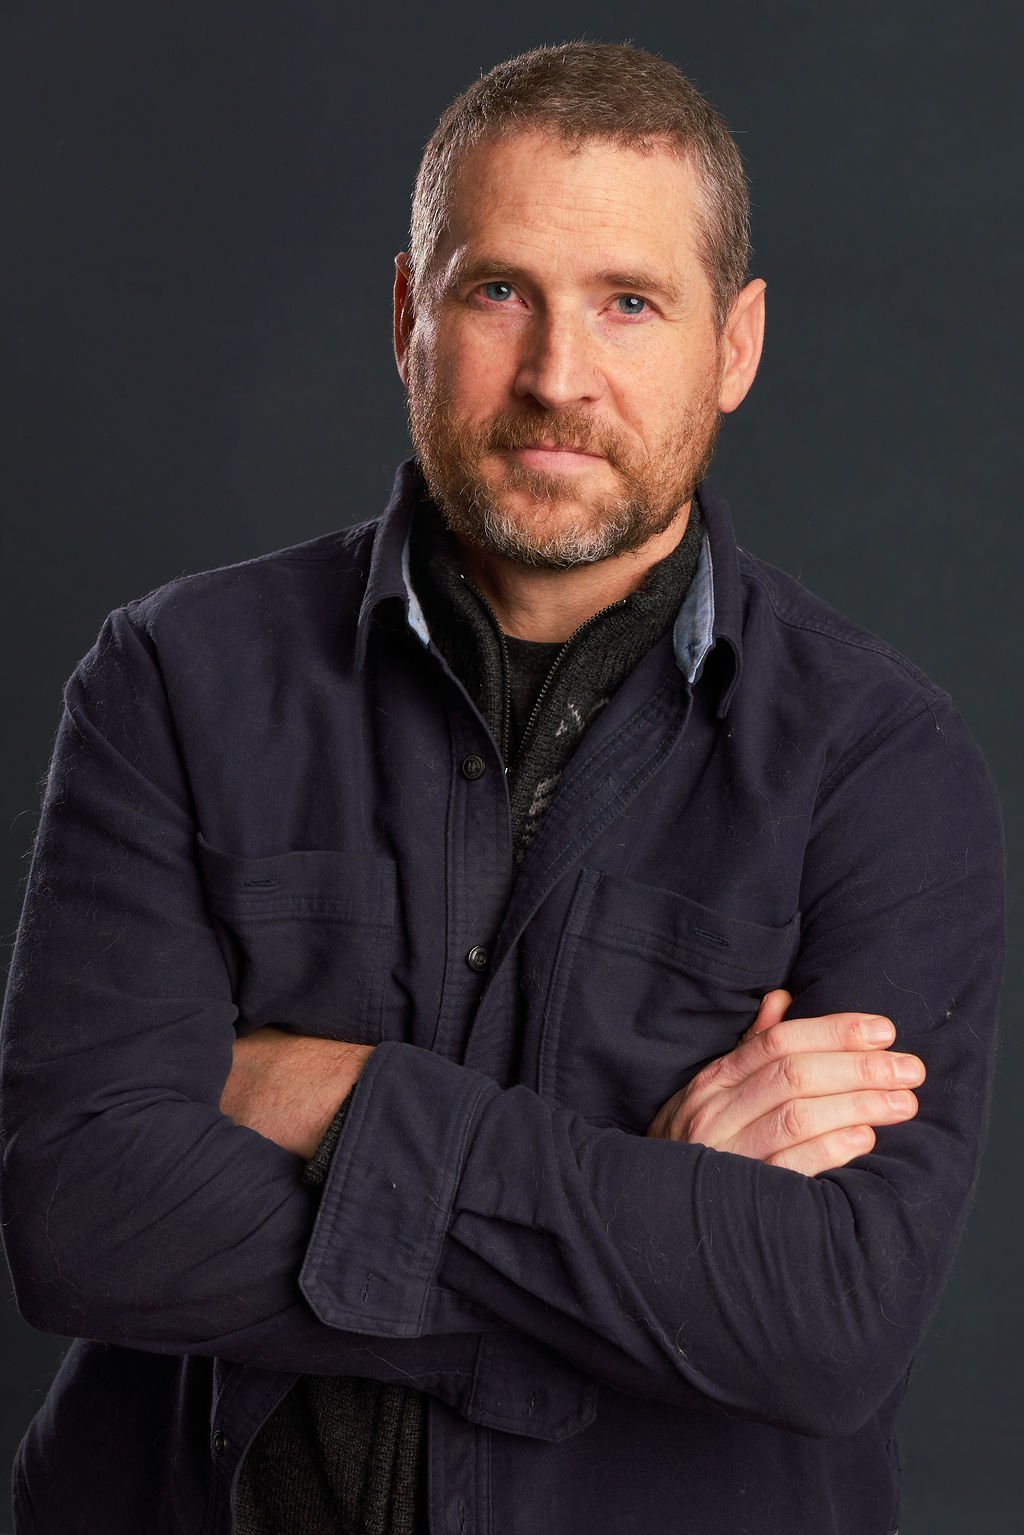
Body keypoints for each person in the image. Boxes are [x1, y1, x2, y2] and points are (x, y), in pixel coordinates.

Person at [0, 39, 1005, 1535]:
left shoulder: (882, 763)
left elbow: (826, 1320)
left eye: (629, 303)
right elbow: (83, 1221)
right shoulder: (173, 678)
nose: (555, 377)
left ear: (734, 344)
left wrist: (326, 1093)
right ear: (407, 314)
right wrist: (640, 1239)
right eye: (496, 292)